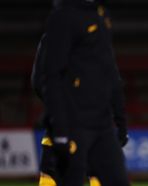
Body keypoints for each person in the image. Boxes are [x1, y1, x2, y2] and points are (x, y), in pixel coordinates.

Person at [31, 0, 130, 185]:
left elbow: (111, 74)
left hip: (101, 125)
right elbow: (44, 79)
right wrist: (60, 118)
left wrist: (120, 121)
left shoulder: (100, 17)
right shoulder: (62, 20)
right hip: (71, 124)